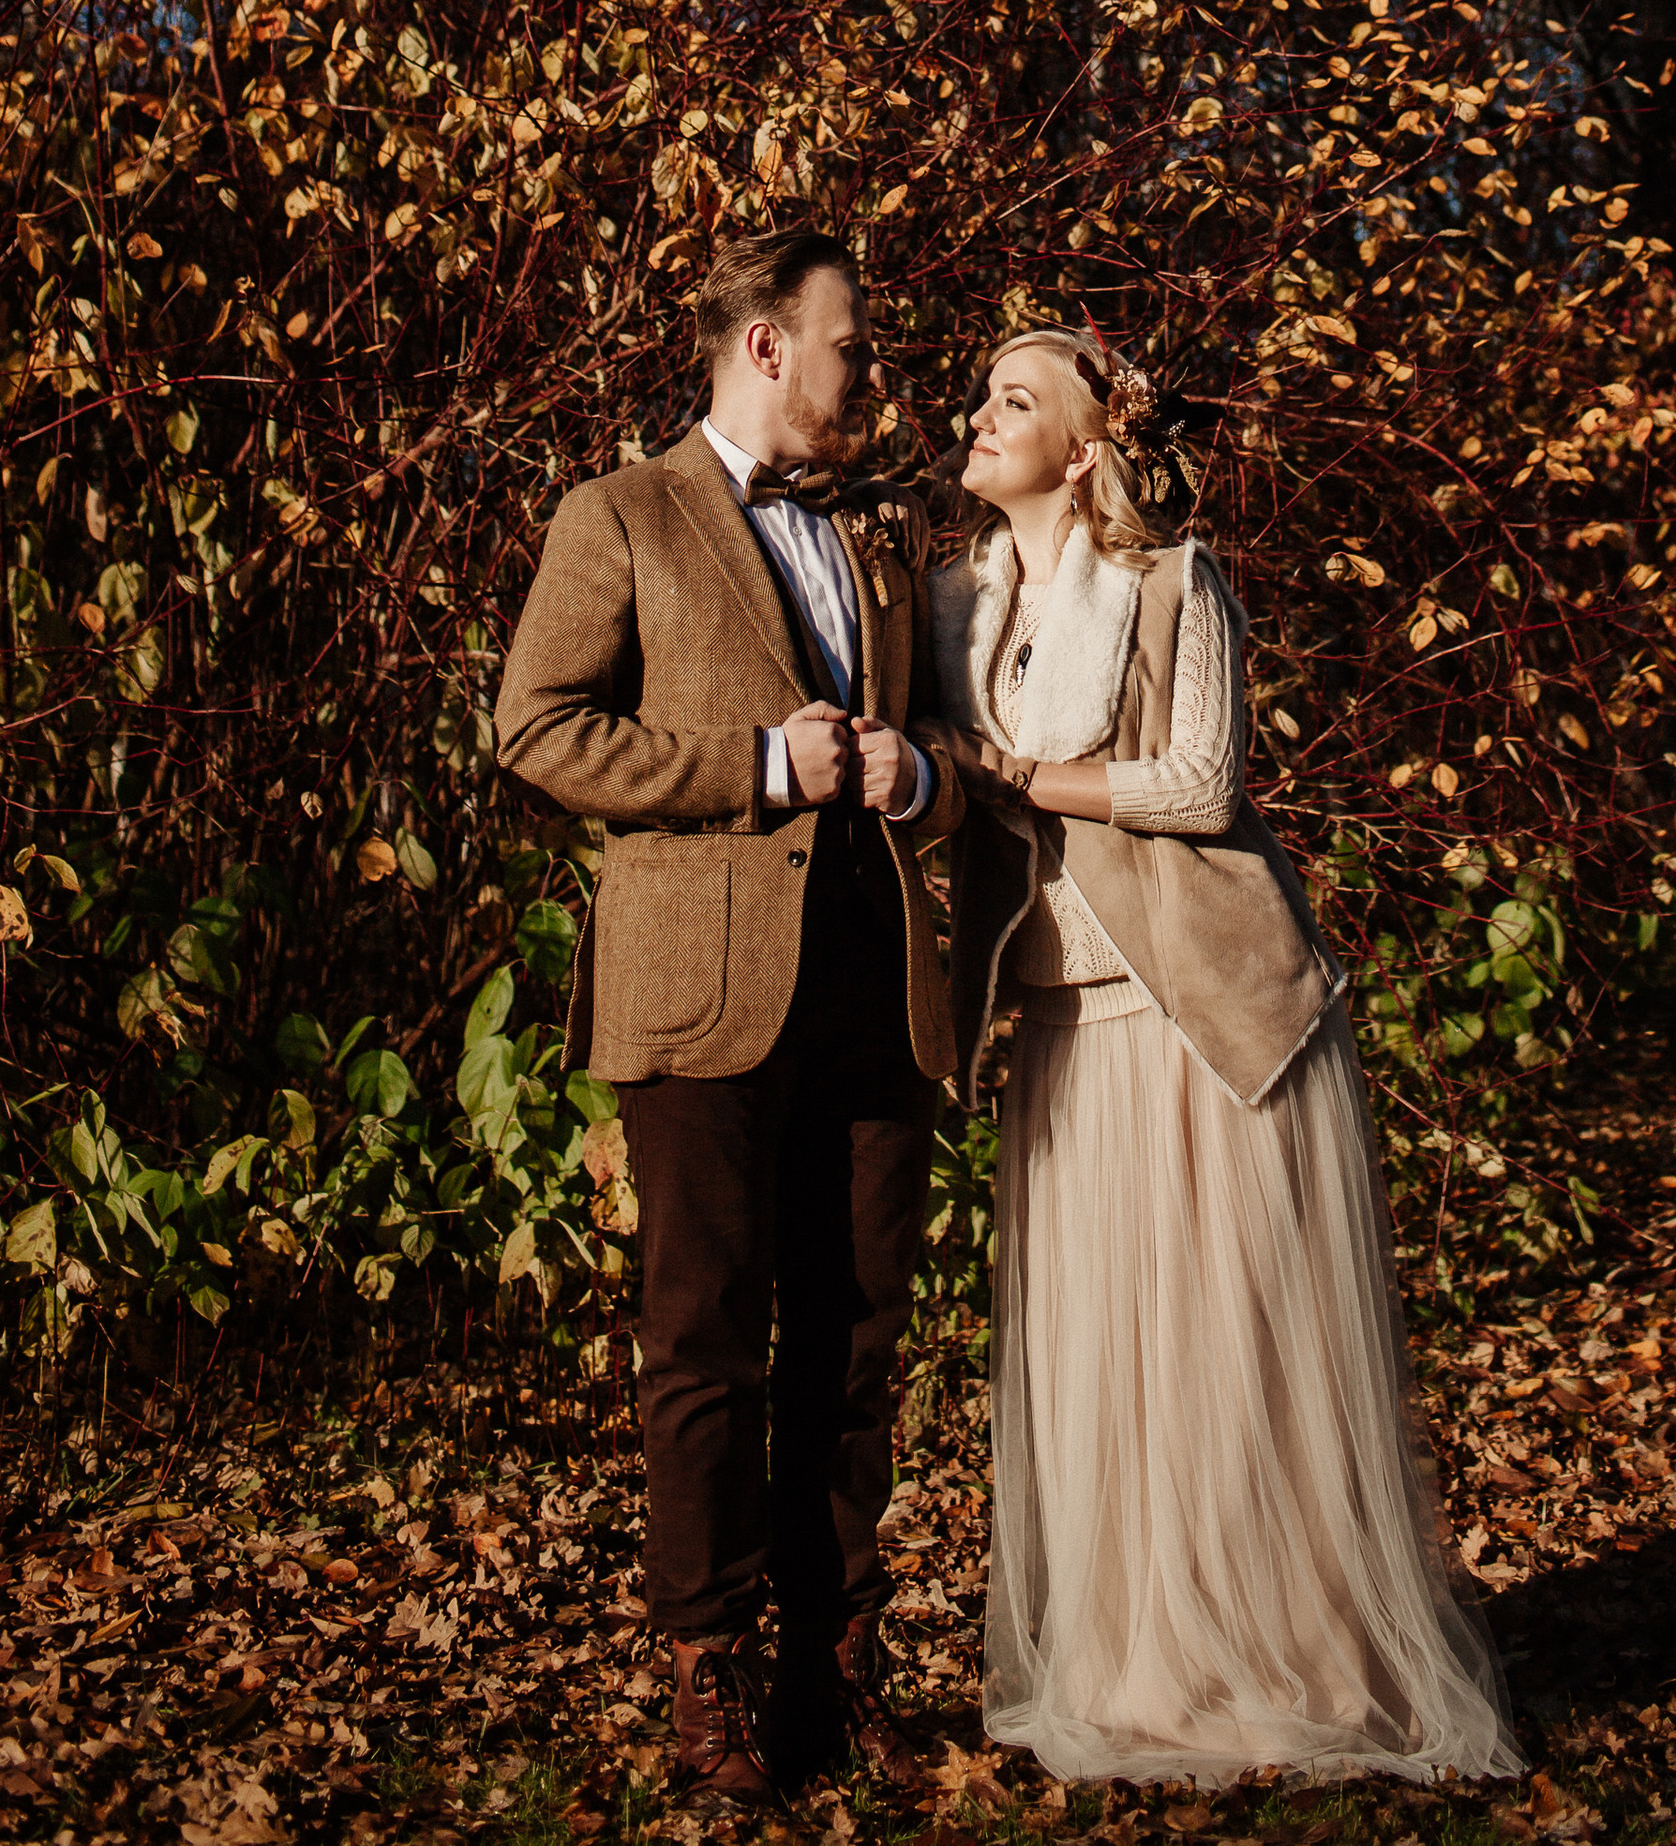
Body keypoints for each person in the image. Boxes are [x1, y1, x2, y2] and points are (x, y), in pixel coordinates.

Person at [918, 326, 1519, 1790]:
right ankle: (1143, 1661)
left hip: (1204, 1022)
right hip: (1061, 1023)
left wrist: (1004, 773)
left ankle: (1292, 1656)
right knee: (1107, 1360)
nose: (977, 417)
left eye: (1016, 400)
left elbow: (1199, 787)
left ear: (1084, 445)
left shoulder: (1173, 585)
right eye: (980, 395)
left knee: (1220, 1351)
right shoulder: (950, 601)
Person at [494, 229, 960, 1810]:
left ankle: (838, 1669)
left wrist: (926, 776)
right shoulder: (615, 515)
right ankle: (711, 1677)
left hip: (876, 984)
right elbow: (537, 727)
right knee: (704, 1343)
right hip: (695, 996)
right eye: (853, 346)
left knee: (861, 1340)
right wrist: (758, 766)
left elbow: (955, 735)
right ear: (765, 345)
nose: (872, 374)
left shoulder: (887, 530)